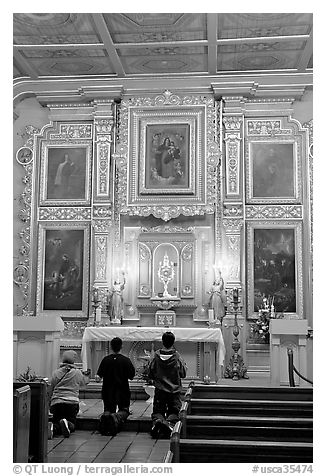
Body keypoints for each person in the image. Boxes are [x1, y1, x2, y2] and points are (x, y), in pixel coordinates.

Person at [148, 331, 187, 439]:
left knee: (158, 410)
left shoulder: (156, 356)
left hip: (160, 389)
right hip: (174, 390)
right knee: (174, 411)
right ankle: (169, 423)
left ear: (162, 342)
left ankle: (158, 422)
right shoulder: (177, 357)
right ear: (173, 342)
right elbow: (183, 373)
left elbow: (150, 372)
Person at [96, 337, 135, 435]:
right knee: (124, 410)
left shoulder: (106, 360)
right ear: (122, 346)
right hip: (123, 390)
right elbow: (131, 376)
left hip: (108, 390)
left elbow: (98, 377)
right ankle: (116, 417)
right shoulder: (126, 360)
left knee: (108, 408)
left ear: (111, 346)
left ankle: (106, 417)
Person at [48, 350, 90, 438]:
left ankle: (53, 428)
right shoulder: (77, 372)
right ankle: (67, 423)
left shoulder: (56, 372)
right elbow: (83, 384)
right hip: (71, 403)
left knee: (57, 419)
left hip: (57, 402)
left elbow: (50, 389)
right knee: (72, 424)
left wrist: (49, 404)